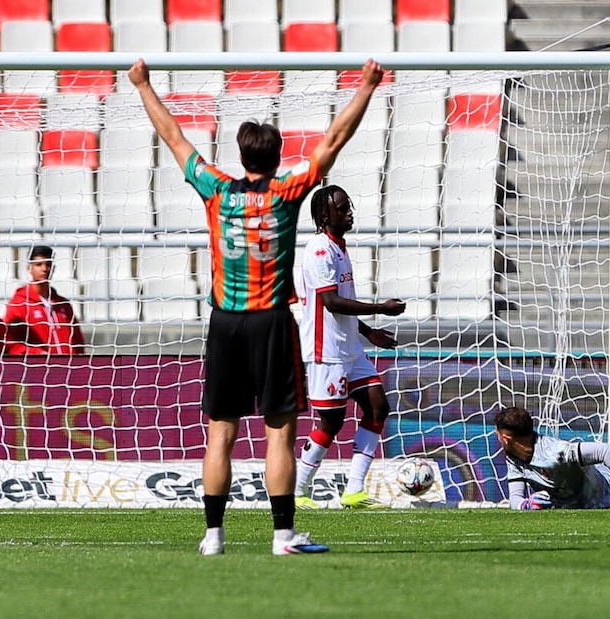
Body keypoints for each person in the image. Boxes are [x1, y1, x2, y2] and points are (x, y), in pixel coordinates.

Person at [130, 56, 385, 555]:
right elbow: (333, 141)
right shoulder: (288, 193)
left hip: (225, 322)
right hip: (270, 322)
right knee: (279, 433)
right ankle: (283, 536)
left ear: (241, 155)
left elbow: (174, 137)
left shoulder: (217, 190)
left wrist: (143, 85)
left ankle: (212, 537)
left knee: (220, 431)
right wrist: (366, 86)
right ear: (277, 156)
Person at [293, 185, 406, 510]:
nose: (349, 212)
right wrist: (380, 309)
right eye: (342, 208)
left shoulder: (338, 248)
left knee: (377, 407)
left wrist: (368, 333)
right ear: (324, 215)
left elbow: (342, 304)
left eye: (349, 206)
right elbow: (331, 302)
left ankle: (354, 491)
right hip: (325, 351)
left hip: (349, 349)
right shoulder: (319, 249)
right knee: (331, 423)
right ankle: (299, 490)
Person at [495, 406, 610, 510]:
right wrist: (526, 504)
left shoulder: (555, 453)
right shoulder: (513, 458)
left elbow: (608, 452)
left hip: (606, 491)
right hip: (577, 502)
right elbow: (515, 497)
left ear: (505, 438)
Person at [4, 246, 86, 356]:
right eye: (39, 264)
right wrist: (36, 353)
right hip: (38, 369)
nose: (44, 268)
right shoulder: (19, 304)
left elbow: (78, 341)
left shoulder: (64, 304)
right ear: (29, 267)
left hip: (69, 368)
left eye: (48, 264)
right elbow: (10, 343)